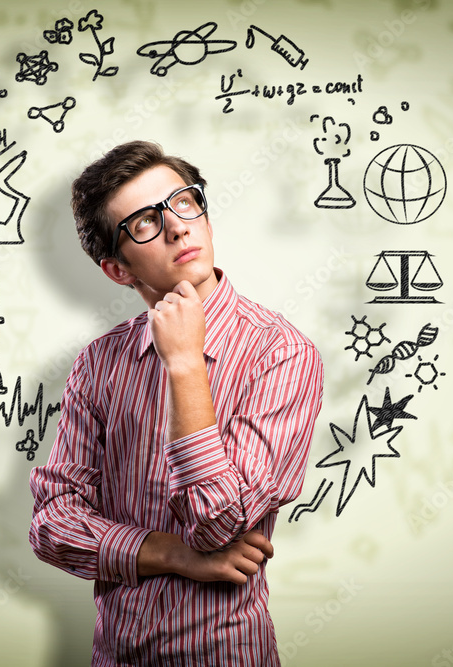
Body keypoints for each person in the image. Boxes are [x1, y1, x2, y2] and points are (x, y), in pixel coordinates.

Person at [29, 140, 324, 665]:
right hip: (113, 655)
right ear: (119, 270)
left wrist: (185, 366)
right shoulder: (98, 363)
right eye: (143, 223)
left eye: (183, 202)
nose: (176, 227)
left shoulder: (282, 354)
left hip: (221, 653)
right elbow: (52, 525)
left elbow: (218, 527)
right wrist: (172, 555)